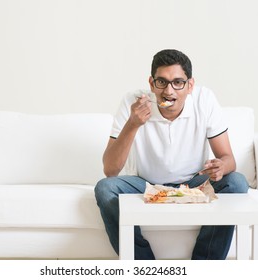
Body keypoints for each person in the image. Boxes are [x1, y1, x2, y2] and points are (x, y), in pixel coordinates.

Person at [94, 49, 249, 260]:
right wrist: (133, 124)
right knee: (105, 188)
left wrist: (221, 166)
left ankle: (204, 267)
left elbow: (228, 159)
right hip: (145, 185)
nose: (169, 91)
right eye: (162, 82)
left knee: (237, 183)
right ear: (151, 83)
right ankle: (145, 268)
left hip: (194, 183)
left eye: (178, 82)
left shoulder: (204, 100)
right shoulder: (133, 103)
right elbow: (110, 170)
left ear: (190, 85)